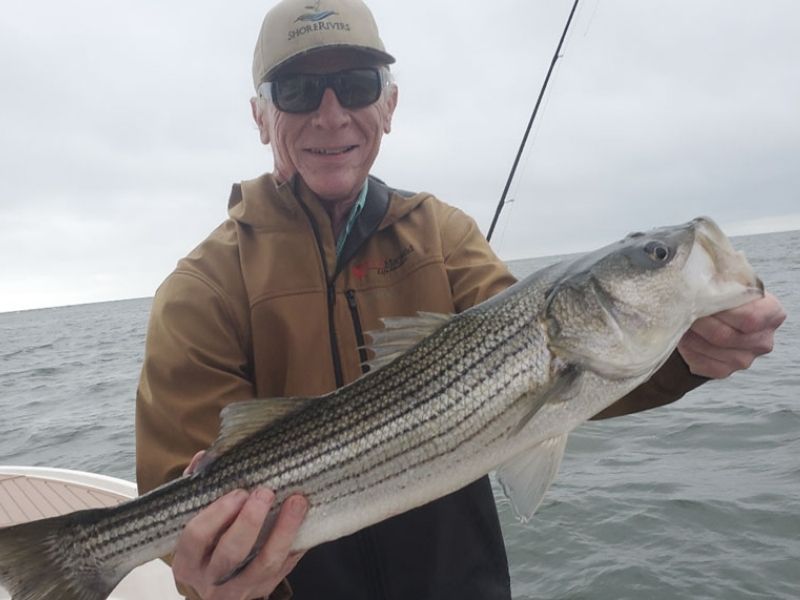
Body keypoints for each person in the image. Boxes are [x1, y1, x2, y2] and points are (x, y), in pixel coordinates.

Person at [135, 0, 786, 598]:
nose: (329, 114)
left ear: (388, 104)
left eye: (357, 85)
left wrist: (689, 352)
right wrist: (212, 578)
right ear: (260, 116)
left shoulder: (443, 237)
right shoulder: (200, 288)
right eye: (298, 91)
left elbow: (565, 378)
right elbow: (177, 494)